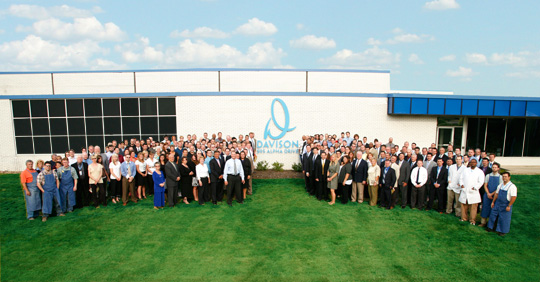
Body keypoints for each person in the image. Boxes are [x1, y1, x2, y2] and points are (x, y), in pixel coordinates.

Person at [487, 172, 517, 236]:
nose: (504, 178)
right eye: (503, 176)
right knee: (493, 215)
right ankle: (491, 227)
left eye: (505, 176)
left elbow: (513, 197)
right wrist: (493, 202)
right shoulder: (500, 185)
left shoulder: (512, 186)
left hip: (506, 204)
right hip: (498, 203)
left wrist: (509, 205)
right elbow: (496, 194)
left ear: (509, 177)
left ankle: (502, 231)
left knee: (504, 218)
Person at [458, 158, 484, 225]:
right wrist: (462, 185)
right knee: (464, 206)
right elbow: (461, 178)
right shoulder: (465, 170)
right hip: (465, 190)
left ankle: (472, 220)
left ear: (476, 163)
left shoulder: (480, 171)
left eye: (474, 162)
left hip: (473, 192)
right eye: (471, 162)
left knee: (473, 207)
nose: (472, 163)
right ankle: (464, 218)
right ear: (469, 163)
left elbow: (481, 182)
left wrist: (475, 187)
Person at [479, 162, 502, 227]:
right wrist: (488, 193)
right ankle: (483, 222)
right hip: (487, 194)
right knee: (485, 208)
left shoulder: (500, 177)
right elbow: (485, 185)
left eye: (495, 167)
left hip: (495, 195)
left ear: (498, 168)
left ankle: (491, 223)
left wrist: (492, 194)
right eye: (493, 167)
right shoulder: (488, 176)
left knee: (493, 208)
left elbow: (499, 187)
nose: (494, 169)